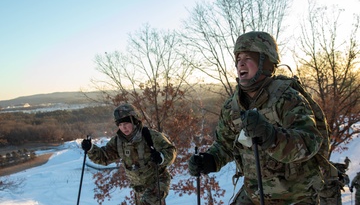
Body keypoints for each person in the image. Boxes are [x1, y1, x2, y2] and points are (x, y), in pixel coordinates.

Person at [188, 31, 326, 204]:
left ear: (266, 62)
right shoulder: (232, 107)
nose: (241, 64)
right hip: (255, 195)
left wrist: (271, 137)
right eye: (238, 59)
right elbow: (225, 144)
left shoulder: (287, 98)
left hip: (296, 196)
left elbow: (310, 142)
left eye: (248, 58)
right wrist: (210, 160)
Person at [81, 103, 176, 205]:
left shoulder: (151, 136)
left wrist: (161, 157)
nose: (123, 128)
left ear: (134, 121)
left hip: (157, 182)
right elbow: (104, 157)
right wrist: (90, 148)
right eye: (120, 125)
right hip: (139, 188)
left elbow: (170, 151)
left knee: (148, 202)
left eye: (126, 123)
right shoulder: (118, 142)